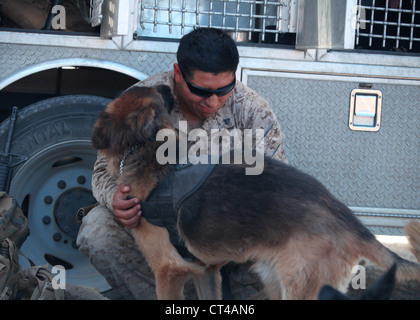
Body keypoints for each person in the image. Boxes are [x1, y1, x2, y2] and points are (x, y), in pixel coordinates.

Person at [76, 27, 288, 299]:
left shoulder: (252, 111)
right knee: (97, 232)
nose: (213, 101)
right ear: (178, 73)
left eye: (224, 89)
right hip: (159, 225)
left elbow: (277, 185)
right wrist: (115, 200)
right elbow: (103, 170)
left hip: (230, 236)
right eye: (201, 90)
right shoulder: (141, 103)